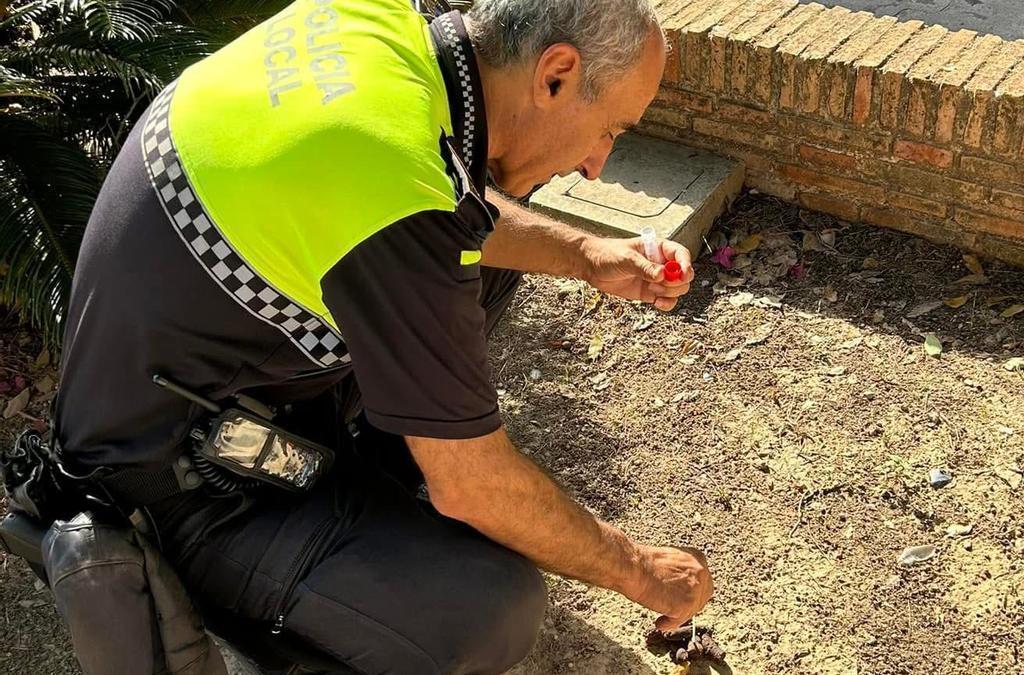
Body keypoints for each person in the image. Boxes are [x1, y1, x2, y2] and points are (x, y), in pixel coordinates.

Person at [51, 0, 714, 672]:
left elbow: (435, 208)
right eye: (610, 129)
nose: (598, 164)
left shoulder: (382, 28)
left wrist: (586, 254)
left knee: (482, 253)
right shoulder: (391, 187)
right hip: (167, 479)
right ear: (555, 75)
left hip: (187, 380)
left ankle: (383, 486)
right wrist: (638, 568)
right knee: (491, 608)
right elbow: (472, 484)